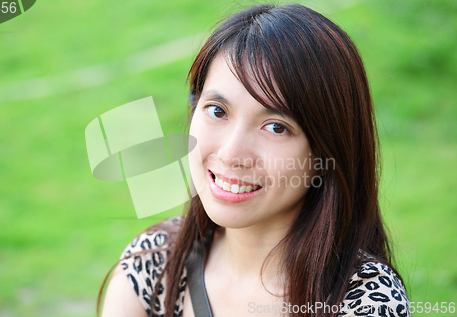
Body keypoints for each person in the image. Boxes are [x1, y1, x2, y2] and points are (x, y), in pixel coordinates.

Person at [99, 3, 411, 317]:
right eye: (217, 111)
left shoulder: (365, 302)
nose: (231, 154)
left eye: (276, 127)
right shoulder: (154, 265)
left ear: (326, 153)